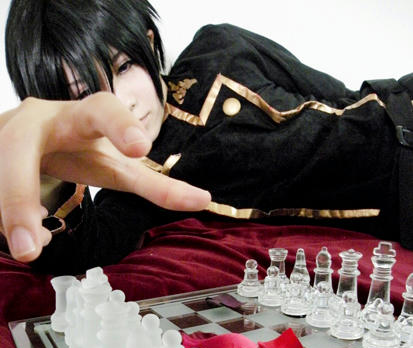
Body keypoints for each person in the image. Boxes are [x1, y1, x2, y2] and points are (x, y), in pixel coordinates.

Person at [2, 0, 413, 274]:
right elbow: (84, 251)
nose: (122, 102)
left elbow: (342, 97)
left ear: (149, 45)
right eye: (85, 94)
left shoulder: (221, 47)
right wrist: (47, 176)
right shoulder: (134, 187)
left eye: (124, 66)